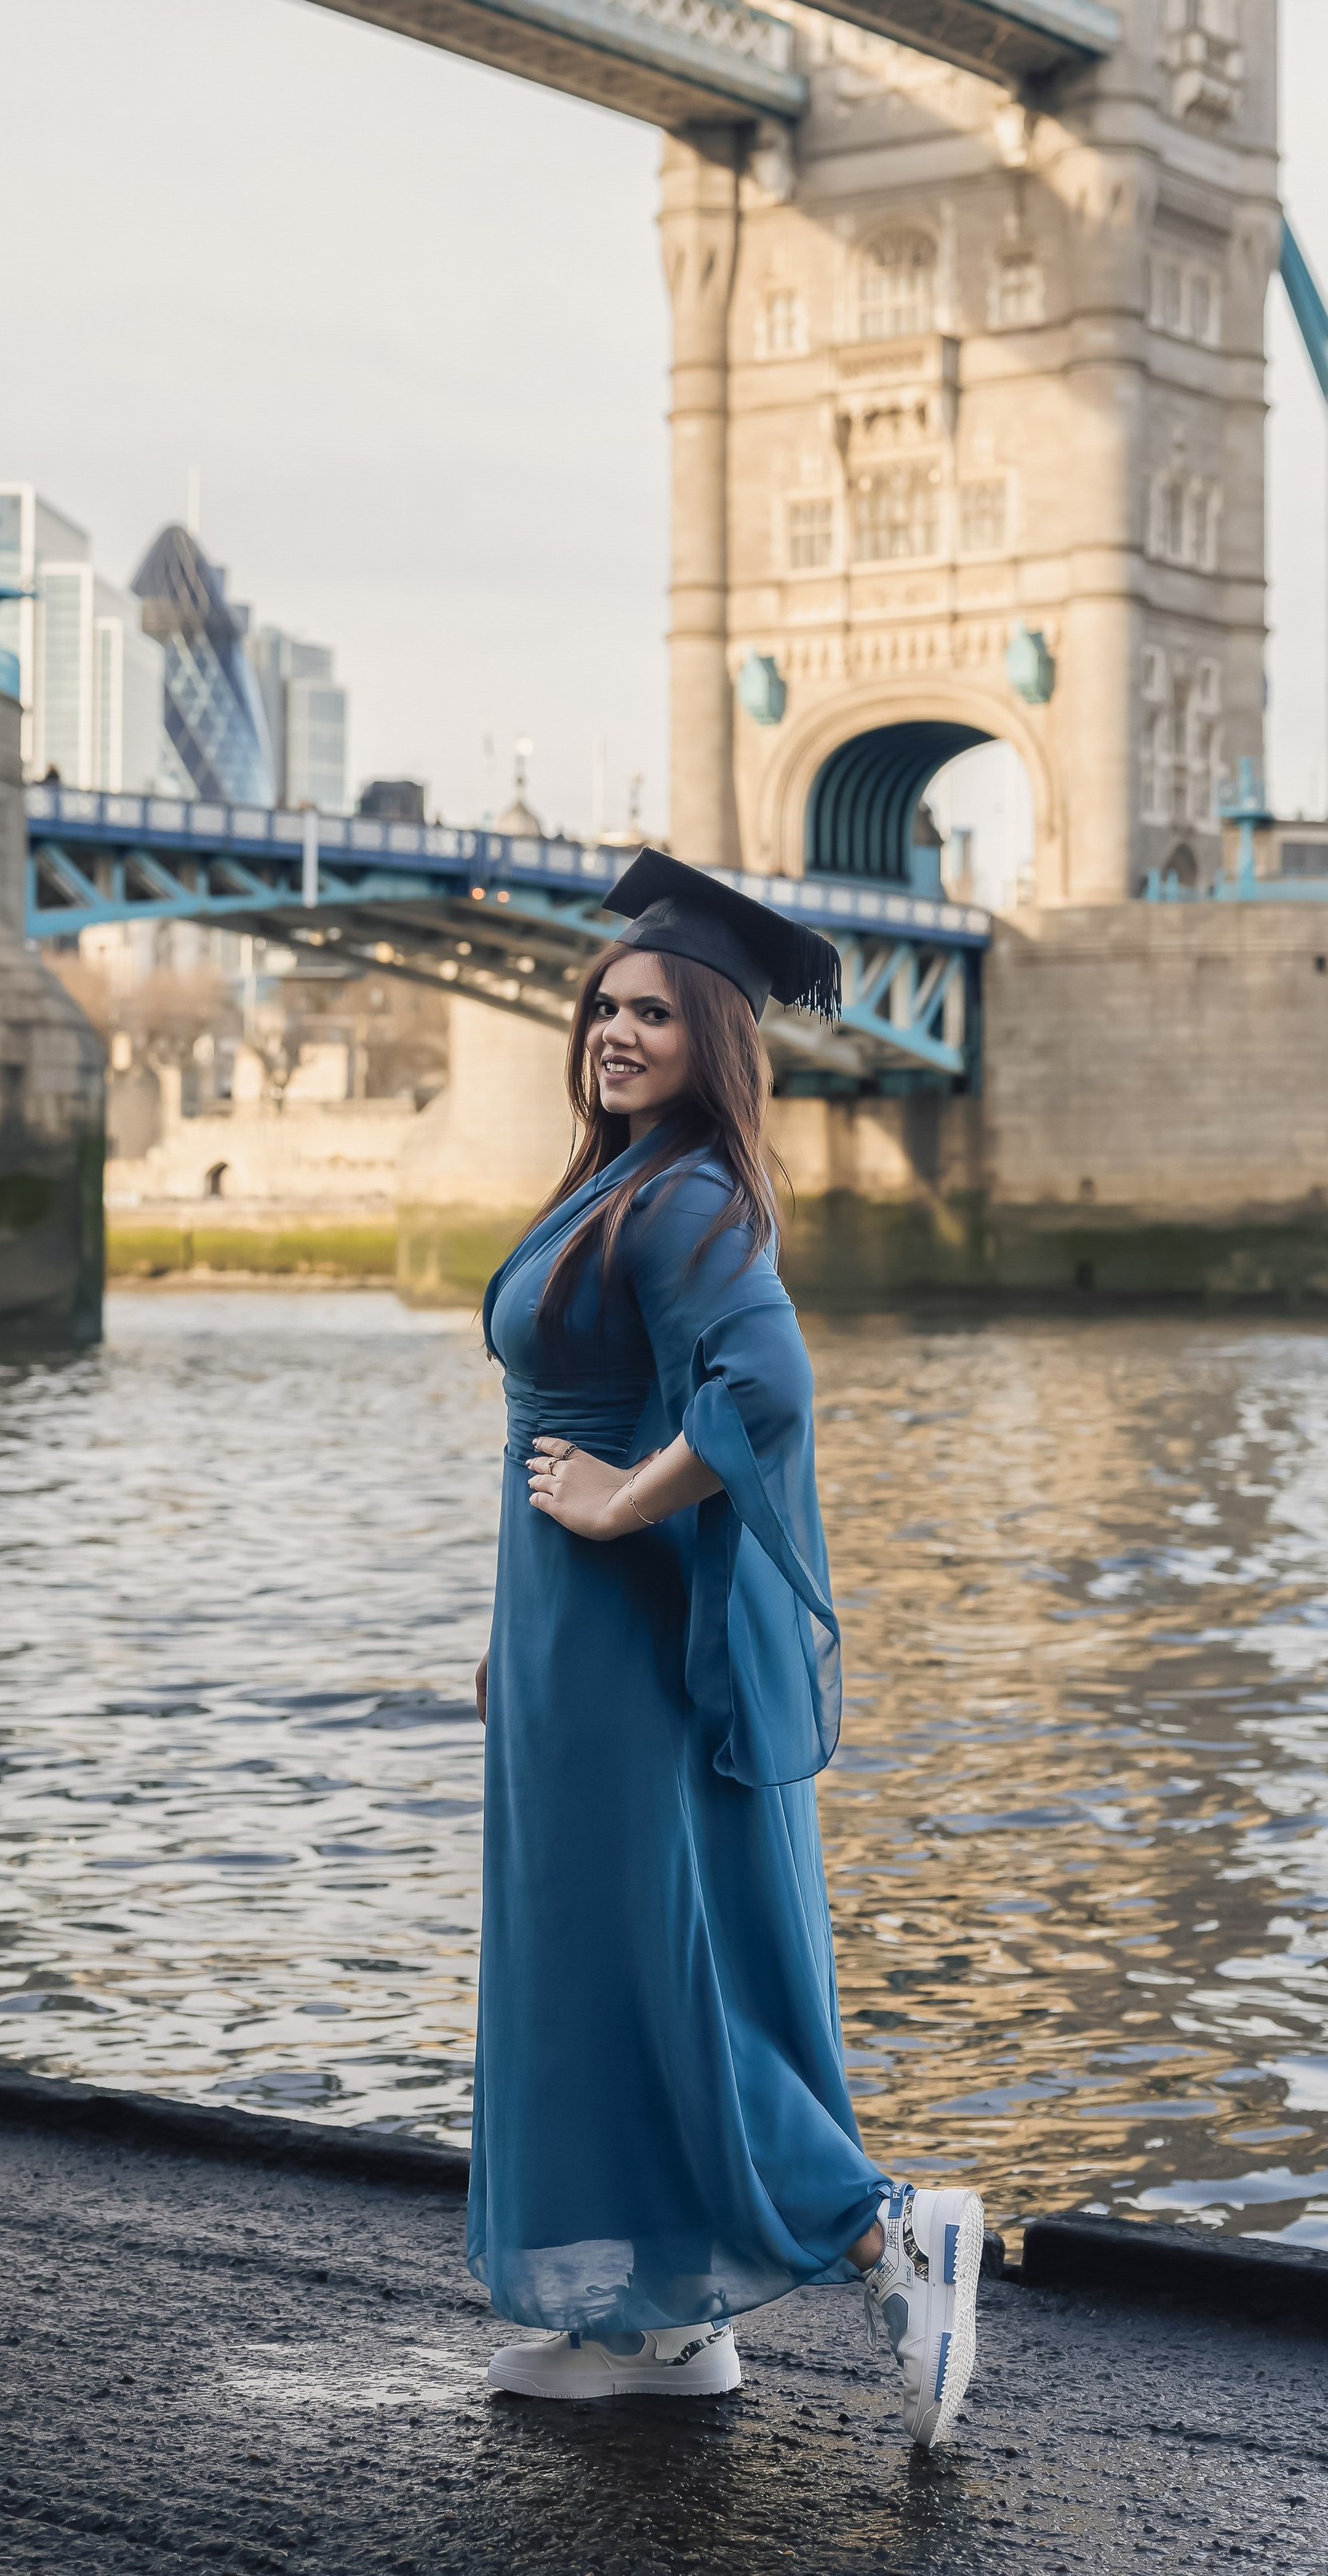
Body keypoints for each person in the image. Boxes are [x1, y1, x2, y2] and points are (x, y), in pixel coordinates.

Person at [468, 851, 983, 2449]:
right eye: (601, 1007)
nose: (615, 1033)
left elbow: (761, 1392)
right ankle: (657, 2321)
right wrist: (506, 1631)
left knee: (646, 1966)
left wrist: (623, 1502)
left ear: (709, 1039)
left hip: (622, 1645)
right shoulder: (613, 1182)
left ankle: (879, 2228)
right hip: (560, 1643)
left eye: (650, 1014)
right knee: (591, 1966)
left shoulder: (686, 1192)